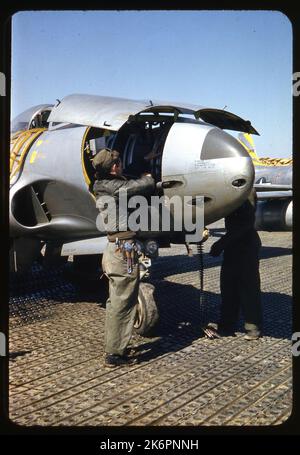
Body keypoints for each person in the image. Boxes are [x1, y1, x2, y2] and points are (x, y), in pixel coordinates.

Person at [92, 148, 155, 367]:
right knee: (122, 302)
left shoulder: (102, 184)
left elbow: (125, 180)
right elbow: (134, 186)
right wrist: (149, 178)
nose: (121, 167)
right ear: (113, 168)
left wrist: (143, 158)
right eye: (118, 164)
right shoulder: (112, 187)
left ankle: (115, 348)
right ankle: (114, 354)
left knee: (116, 301)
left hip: (116, 249)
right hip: (123, 252)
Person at [207, 189, 262, 340]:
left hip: (246, 245)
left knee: (248, 287)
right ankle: (226, 326)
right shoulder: (230, 189)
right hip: (233, 245)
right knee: (228, 286)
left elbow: (245, 224)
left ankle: (253, 327)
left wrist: (221, 243)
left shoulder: (247, 190)